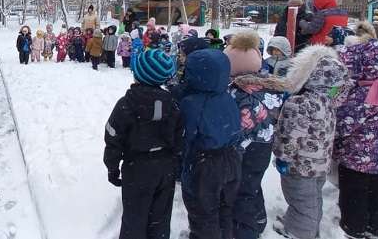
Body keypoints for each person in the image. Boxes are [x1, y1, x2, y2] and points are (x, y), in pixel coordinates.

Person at [103, 49, 183, 239]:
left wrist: (112, 168)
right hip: (165, 167)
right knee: (161, 216)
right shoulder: (172, 103)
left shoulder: (126, 104)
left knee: (134, 217)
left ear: (137, 74)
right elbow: (180, 138)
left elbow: (113, 138)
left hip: (137, 167)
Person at [272, 45, 347, 239]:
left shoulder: (300, 102)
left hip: (299, 164)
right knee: (313, 197)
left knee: (299, 199)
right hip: (319, 162)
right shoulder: (327, 99)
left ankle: (300, 232)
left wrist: (282, 158)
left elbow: (290, 135)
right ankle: (309, 226)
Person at [223, 30, 291, 239]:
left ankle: (246, 232)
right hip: (263, 145)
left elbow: (236, 126)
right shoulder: (267, 86)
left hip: (243, 148)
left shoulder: (238, 92)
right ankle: (258, 219)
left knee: (241, 191)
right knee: (251, 185)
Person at [180, 49, 242, 239]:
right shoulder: (229, 98)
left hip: (205, 163)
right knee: (225, 207)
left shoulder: (192, 103)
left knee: (203, 211)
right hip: (232, 159)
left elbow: (186, 136)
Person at [333, 38, 378, 239]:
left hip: (356, 158)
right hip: (377, 160)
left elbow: (345, 123)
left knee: (354, 194)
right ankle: (375, 224)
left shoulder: (366, 91)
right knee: (376, 193)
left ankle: (354, 227)